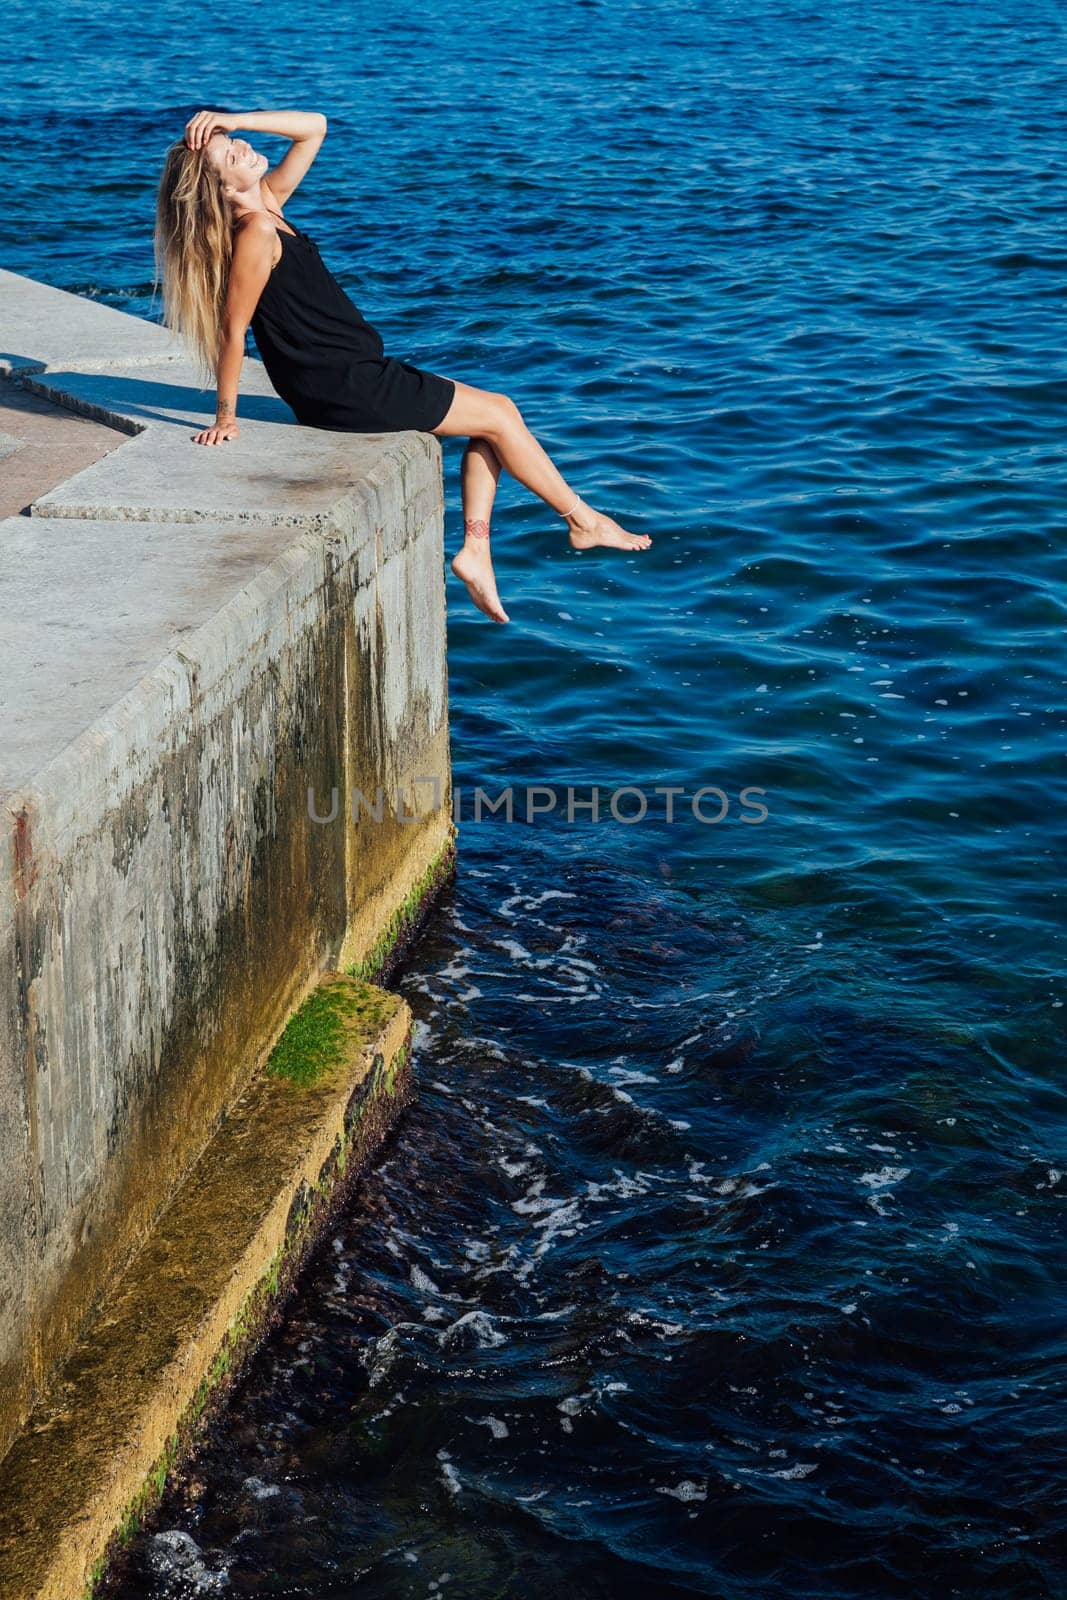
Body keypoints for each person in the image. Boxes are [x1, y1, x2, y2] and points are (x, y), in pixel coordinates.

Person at [154, 108, 651, 624]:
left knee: (495, 423)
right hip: (343, 386)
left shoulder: (271, 205)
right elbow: (235, 330)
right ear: (218, 190)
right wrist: (226, 418)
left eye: (234, 142)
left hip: (357, 371)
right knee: (501, 416)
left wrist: (235, 120)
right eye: (228, 155)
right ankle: (583, 521)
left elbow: (315, 126)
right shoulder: (255, 229)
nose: (240, 147)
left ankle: (477, 553)